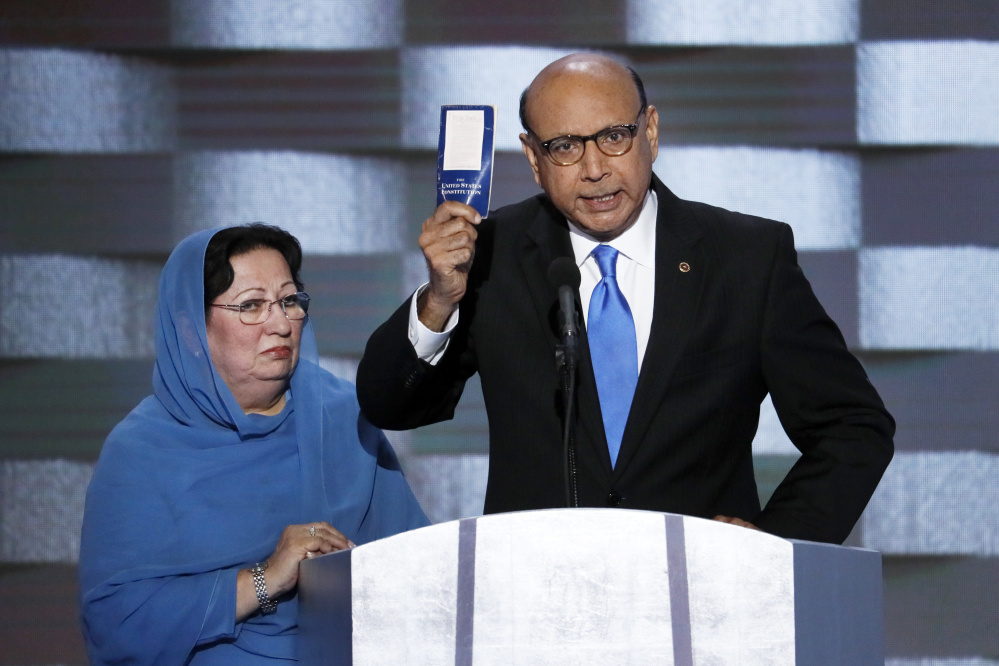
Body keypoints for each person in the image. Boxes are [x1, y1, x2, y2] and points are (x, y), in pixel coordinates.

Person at [356, 53, 894, 545]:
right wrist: (439, 300)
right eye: (565, 146)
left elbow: (853, 427)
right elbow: (389, 405)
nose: (594, 169)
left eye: (613, 136)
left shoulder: (746, 257)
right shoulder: (491, 256)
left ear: (650, 131)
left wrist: (773, 546)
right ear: (533, 157)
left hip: (702, 600)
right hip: (539, 600)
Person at [79, 224, 429, 664]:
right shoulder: (141, 451)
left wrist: (362, 577)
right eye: (251, 306)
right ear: (190, 330)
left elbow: (420, 570)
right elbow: (115, 624)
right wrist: (264, 579)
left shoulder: (341, 417)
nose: (281, 324)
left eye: (288, 301)